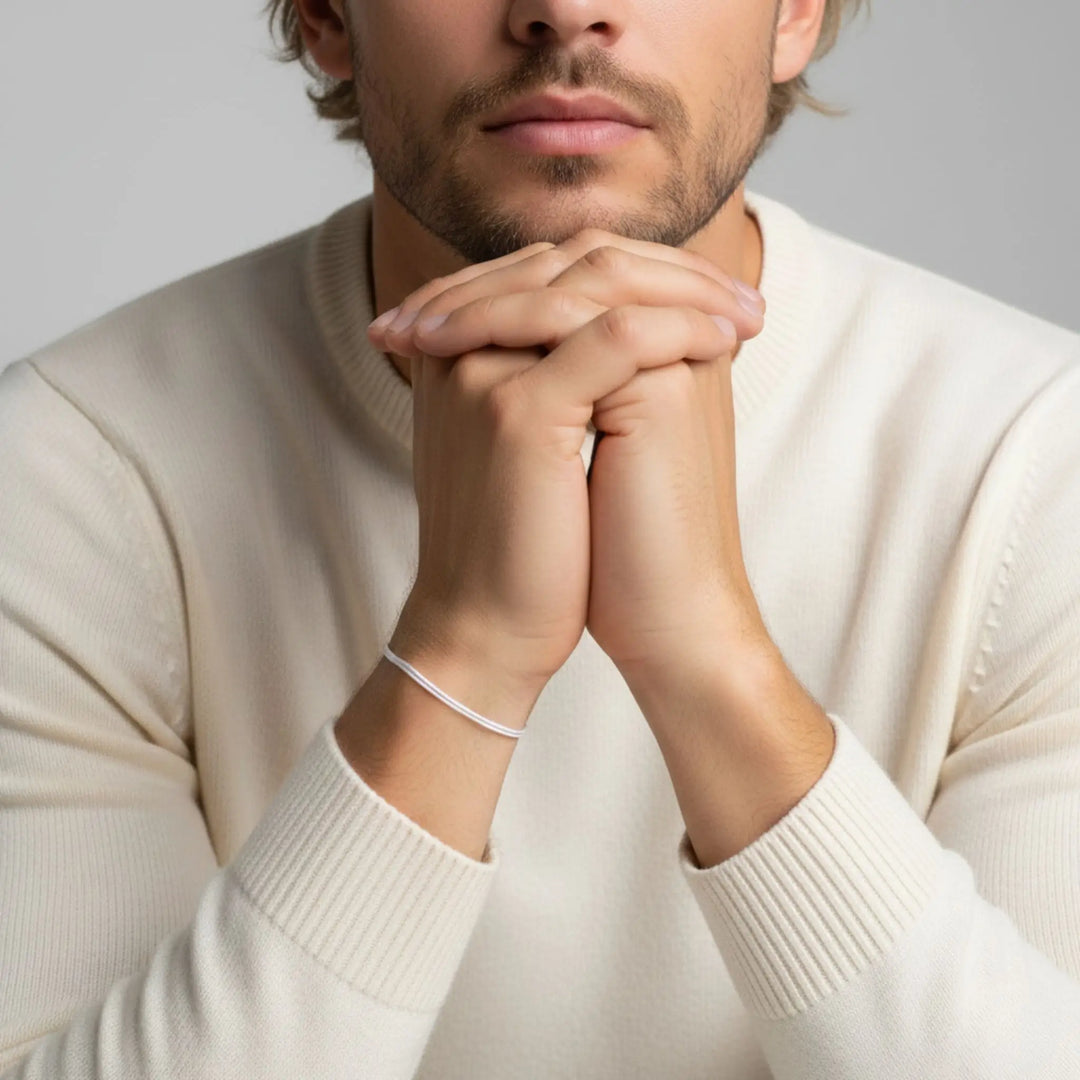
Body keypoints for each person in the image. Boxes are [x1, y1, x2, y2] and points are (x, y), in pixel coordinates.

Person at [1, 0, 1078, 1075]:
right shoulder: (73, 465)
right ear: (329, 15)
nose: (567, 9)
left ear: (795, 12)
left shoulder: (1035, 457)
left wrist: (707, 656)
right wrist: (463, 652)